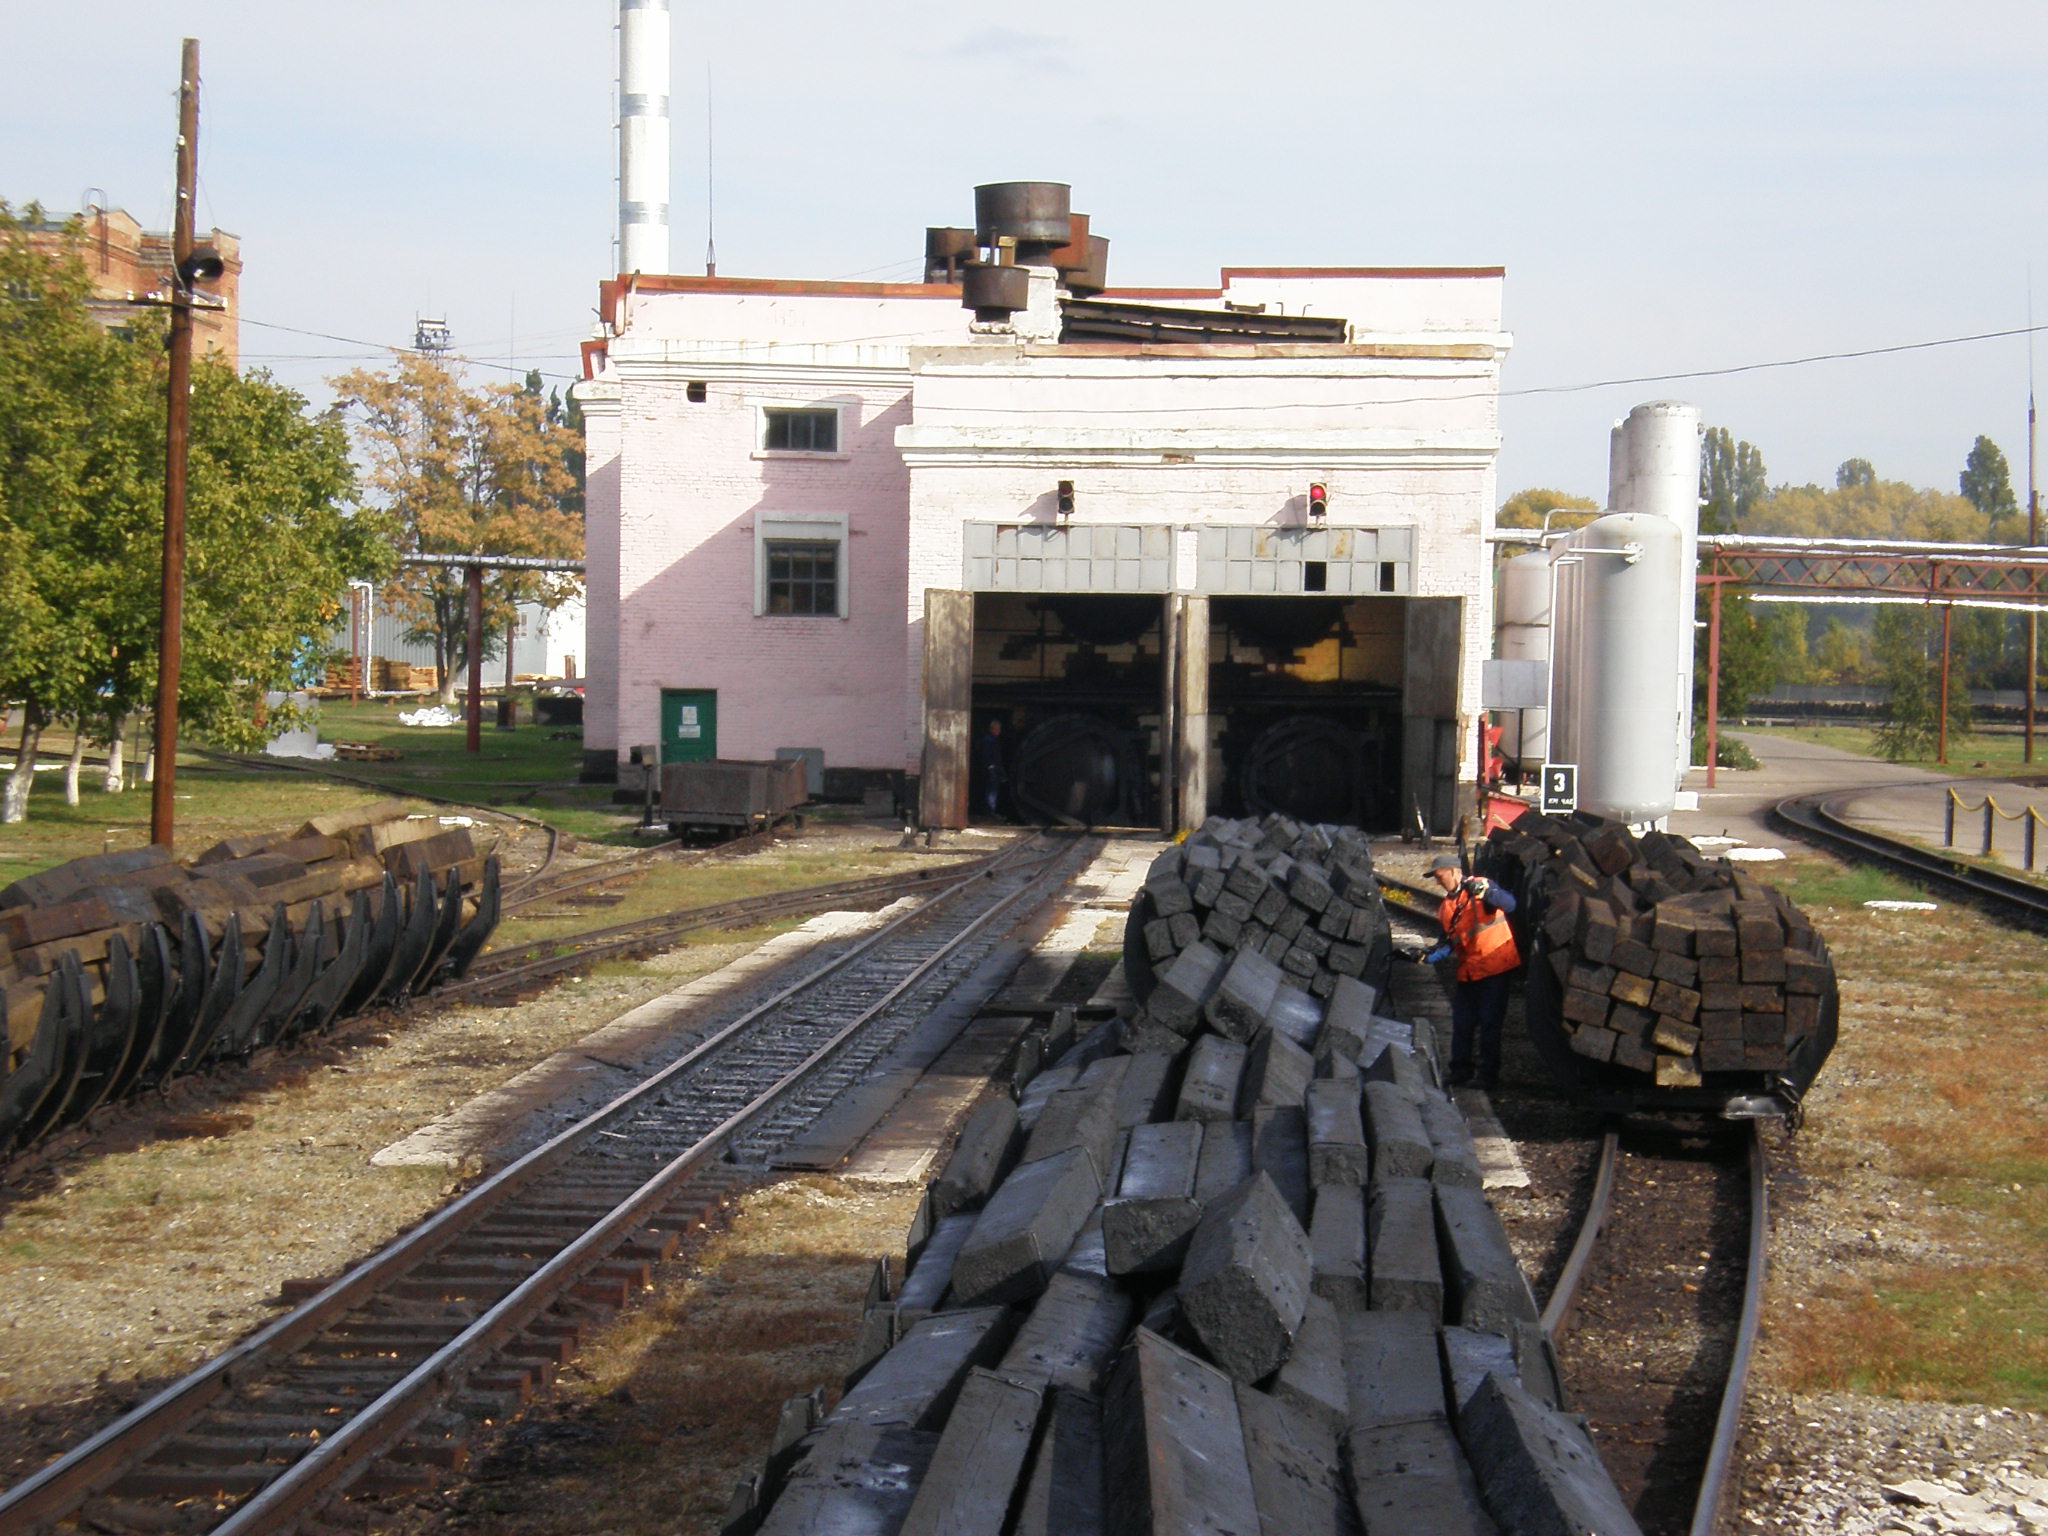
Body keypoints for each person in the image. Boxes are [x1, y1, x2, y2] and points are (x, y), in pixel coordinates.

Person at [1425, 852, 1521, 1090]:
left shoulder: (1482, 888)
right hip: (1469, 973)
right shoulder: (1446, 908)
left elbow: (1510, 903)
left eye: (1439, 877)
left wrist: (1488, 894)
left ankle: (1488, 1077)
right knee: (1462, 1024)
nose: (1438, 882)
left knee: (1490, 1025)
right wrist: (1427, 958)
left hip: (1495, 968)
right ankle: (1460, 1072)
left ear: (1454, 872)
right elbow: (1449, 942)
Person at [978, 718, 1007, 819]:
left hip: (995, 768)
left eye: (999, 729)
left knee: (993, 790)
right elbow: (987, 755)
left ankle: (990, 810)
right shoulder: (989, 741)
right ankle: (989, 811)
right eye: (996, 729)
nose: (998, 731)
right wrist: (990, 767)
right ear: (991, 729)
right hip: (991, 769)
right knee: (991, 790)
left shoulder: (994, 740)